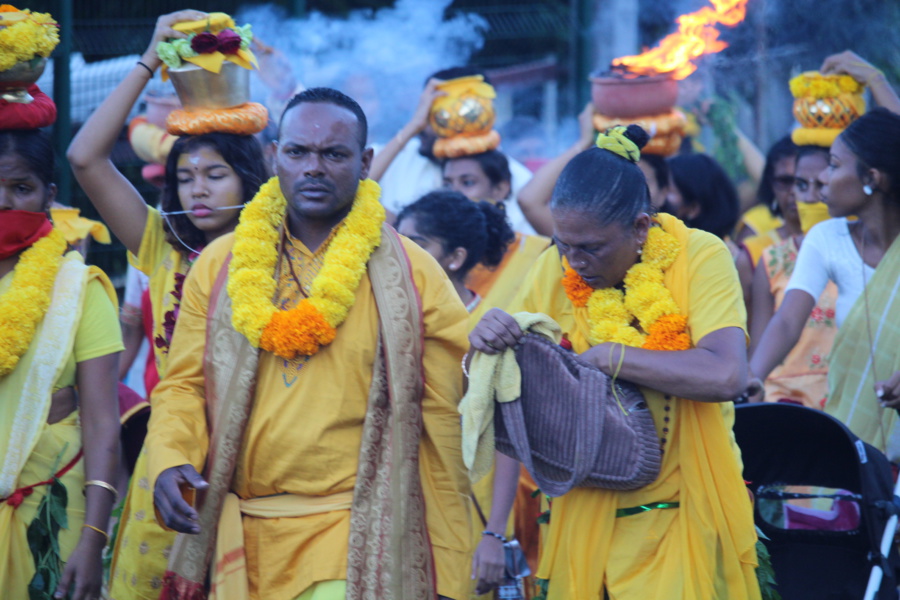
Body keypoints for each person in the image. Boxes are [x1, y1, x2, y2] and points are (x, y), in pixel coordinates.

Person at [146, 87, 471, 600]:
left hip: (354, 531)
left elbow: (448, 415)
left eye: (334, 154)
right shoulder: (221, 264)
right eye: (298, 152)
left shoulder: (412, 273)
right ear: (274, 156)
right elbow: (183, 383)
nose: (313, 168)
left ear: (364, 162)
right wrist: (168, 455)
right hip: (243, 533)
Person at [469, 125, 760, 599]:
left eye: (592, 248)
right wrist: (488, 340)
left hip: (680, 518)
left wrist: (614, 358)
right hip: (580, 525)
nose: (576, 261)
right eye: (566, 245)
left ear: (642, 227)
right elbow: (514, 396)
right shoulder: (555, 267)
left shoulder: (701, 255)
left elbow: (726, 373)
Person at [65, 11, 269, 598]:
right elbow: (84, 158)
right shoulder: (164, 247)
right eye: (187, 177)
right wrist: (149, 56)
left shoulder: (283, 251)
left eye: (216, 174)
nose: (198, 189)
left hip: (258, 466)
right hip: (172, 463)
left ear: (249, 181)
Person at [0, 128, 122, 600]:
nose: (5, 201)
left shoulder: (79, 289)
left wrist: (93, 540)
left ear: (49, 196)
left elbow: (101, 421)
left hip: (52, 507)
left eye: (21, 188)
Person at [395, 191, 527, 597]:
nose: (401, 257)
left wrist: (495, 533)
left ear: (454, 258)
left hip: (473, 519)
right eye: (397, 244)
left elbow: (507, 436)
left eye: (416, 245)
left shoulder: (489, 327)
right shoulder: (389, 316)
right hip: (399, 513)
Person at [748, 108, 900, 453]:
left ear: (872, 178)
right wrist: (753, 376)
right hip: (857, 439)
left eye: (833, 165)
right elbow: (787, 320)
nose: (823, 183)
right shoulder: (826, 238)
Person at [369, 67, 535, 234]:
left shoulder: (518, 180)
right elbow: (353, 185)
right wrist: (410, 127)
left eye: (437, 114)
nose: (423, 124)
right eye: (424, 110)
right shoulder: (394, 157)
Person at [748, 146, 837, 409]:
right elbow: (762, 345)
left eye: (820, 184)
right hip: (785, 400)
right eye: (801, 184)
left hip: (846, 392)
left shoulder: (866, 252)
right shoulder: (772, 259)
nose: (810, 196)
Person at [442, 150, 551, 323]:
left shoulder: (535, 251)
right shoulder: (435, 249)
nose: (453, 193)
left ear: (500, 188)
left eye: (467, 182)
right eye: (447, 184)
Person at [739, 137, 798, 264]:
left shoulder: (843, 238)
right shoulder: (753, 251)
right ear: (771, 184)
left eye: (802, 182)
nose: (794, 191)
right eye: (785, 181)